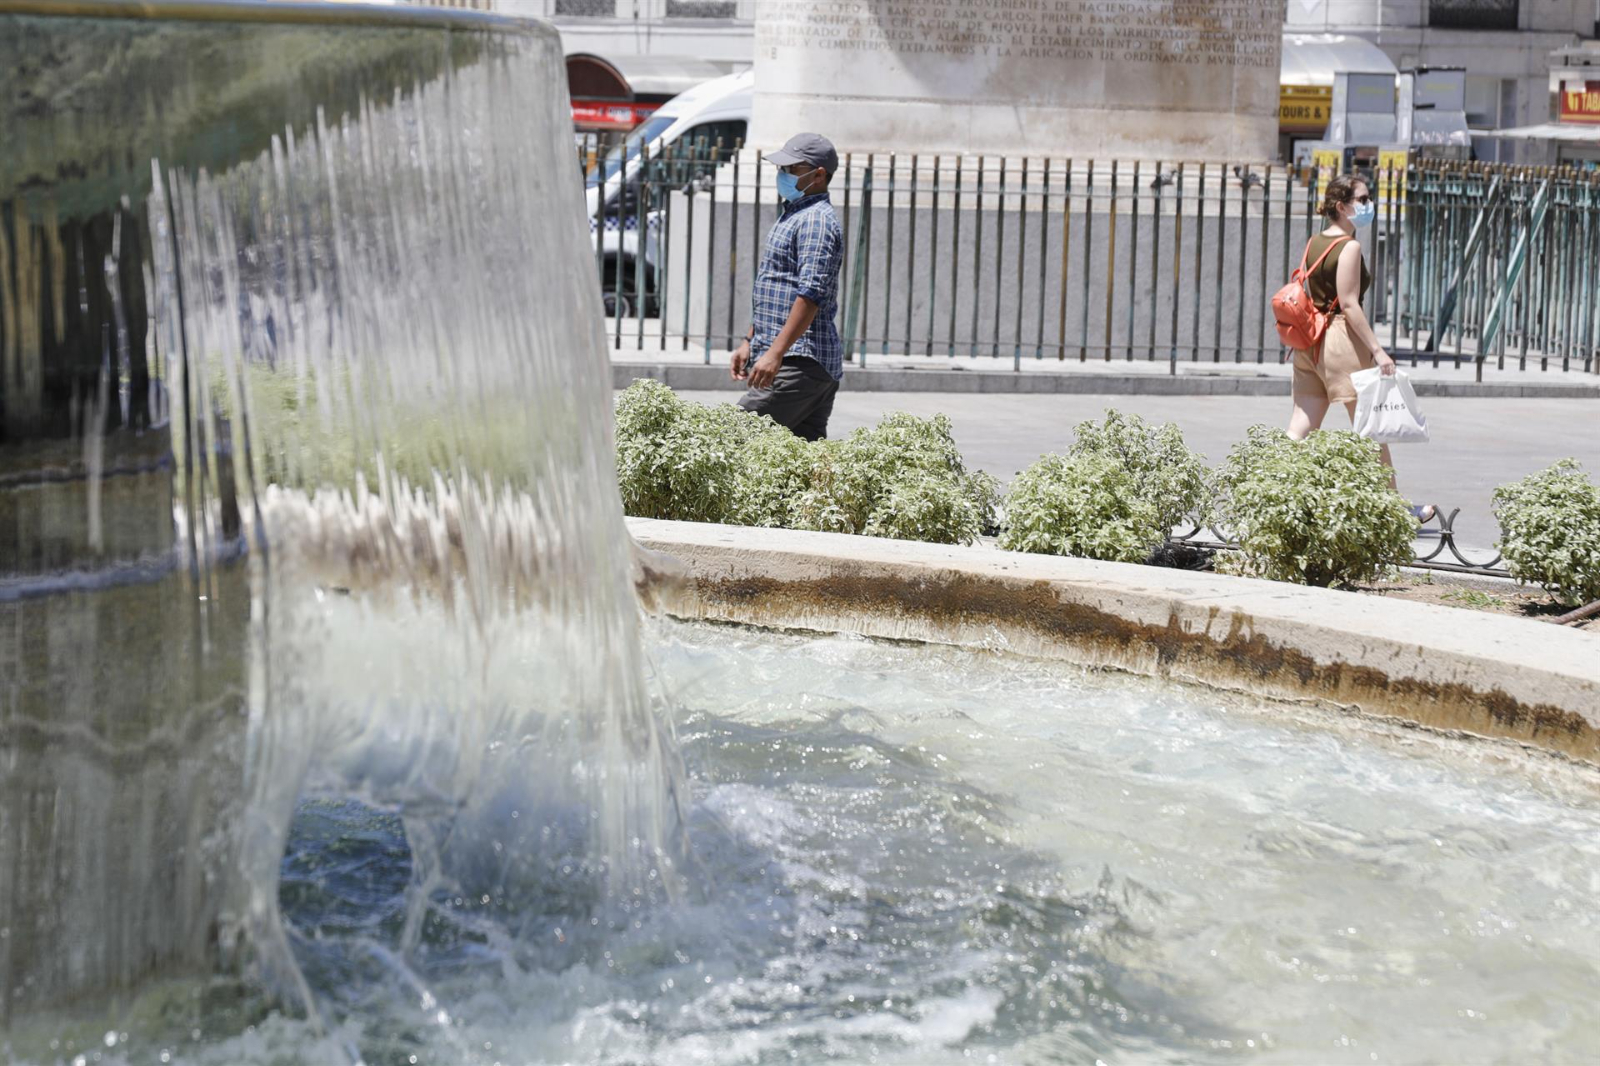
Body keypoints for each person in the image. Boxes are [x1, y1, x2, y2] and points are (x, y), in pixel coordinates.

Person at [1288, 173, 1436, 523]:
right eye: (1363, 199)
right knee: (1371, 428)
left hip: (1310, 341)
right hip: (1340, 341)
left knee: (1299, 428)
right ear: (1342, 206)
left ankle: (1270, 492)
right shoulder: (1350, 247)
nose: (1370, 205)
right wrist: (1378, 351)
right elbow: (1350, 304)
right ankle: (1394, 511)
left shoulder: (1315, 242)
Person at [730, 132, 844, 441]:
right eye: (782, 168)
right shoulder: (795, 214)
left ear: (818, 175)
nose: (783, 174)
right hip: (795, 361)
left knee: (733, 441)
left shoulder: (816, 222)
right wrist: (750, 340)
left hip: (799, 362)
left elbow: (810, 294)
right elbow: (776, 288)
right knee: (798, 461)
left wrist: (775, 353)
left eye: (792, 169)